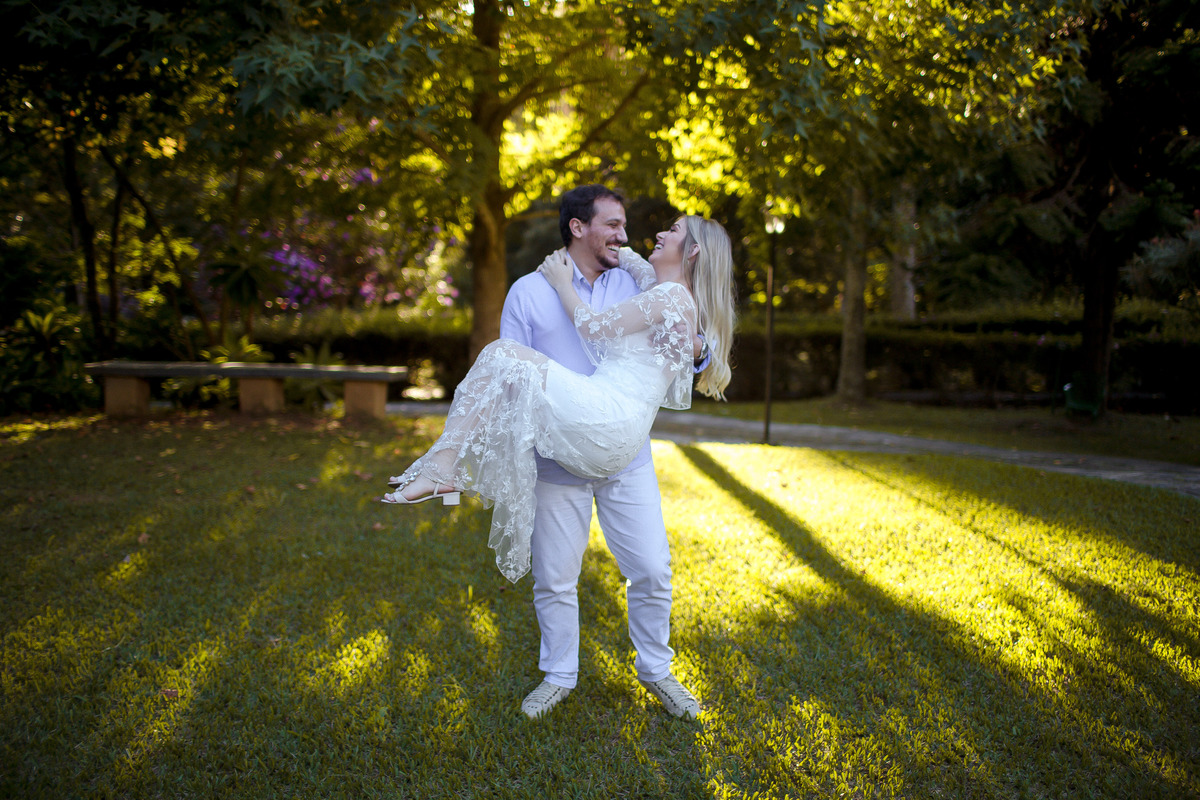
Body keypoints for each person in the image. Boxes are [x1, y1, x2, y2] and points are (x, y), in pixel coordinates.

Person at [383, 185, 735, 720]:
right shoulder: (529, 291)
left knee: (653, 570)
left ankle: (657, 671)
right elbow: (506, 384)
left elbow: (686, 332)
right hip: (559, 449)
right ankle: (559, 675)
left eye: (635, 228)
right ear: (578, 227)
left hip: (623, 446)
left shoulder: (634, 281)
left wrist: (699, 344)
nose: (630, 235)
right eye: (614, 225)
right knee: (554, 578)